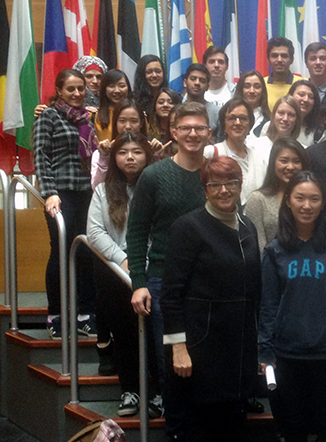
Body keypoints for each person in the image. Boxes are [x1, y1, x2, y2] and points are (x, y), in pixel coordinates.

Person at [160, 156, 262, 441]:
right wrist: (178, 347)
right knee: (199, 428)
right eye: (215, 184)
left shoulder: (248, 227)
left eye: (231, 183)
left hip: (238, 347)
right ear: (204, 189)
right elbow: (170, 294)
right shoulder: (188, 227)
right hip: (199, 348)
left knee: (233, 426)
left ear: (240, 186)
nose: (224, 190)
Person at [126, 102, 211, 438]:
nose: (192, 134)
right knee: (173, 365)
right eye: (185, 128)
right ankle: (176, 431)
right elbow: (136, 232)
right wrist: (138, 281)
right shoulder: (153, 175)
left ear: (208, 132)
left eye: (199, 128)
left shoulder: (216, 172)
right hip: (163, 283)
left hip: (210, 283)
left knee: (206, 361)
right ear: (173, 132)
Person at [258, 172, 326, 442]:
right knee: (293, 427)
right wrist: (265, 351)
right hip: (287, 355)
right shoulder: (274, 250)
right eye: (299, 198)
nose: (307, 205)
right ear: (288, 201)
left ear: (323, 203)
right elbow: (268, 305)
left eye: (314, 199)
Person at [86, 131, 163, 417]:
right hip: (115, 273)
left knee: (154, 337)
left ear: (147, 154)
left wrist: (142, 260)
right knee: (125, 335)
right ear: (115, 157)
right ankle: (130, 390)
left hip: (152, 269)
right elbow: (93, 232)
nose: (130, 157)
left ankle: (157, 392)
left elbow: (163, 228)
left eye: (137, 151)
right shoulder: (103, 191)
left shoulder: (158, 185)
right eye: (123, 152)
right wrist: (123, 259)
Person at [33, 69, 99, 339]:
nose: (77, 93)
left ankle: (85, 313)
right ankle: (56, 314)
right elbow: (40, 157)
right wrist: (49, 192)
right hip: (60, 194)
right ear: (59, 91)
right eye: (70, 89)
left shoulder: (90, 118)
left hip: (89, 192)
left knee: (86, 252)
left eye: (80, 88)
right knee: (60, 252)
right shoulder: (48, 116)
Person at [245, 138, 310, 250]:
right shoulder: (258, 199)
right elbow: (259, 247)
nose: (290, 167)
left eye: (296, 161)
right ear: (273, 163)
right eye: (284, 161)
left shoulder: (310, 199)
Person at [91, 98, 160, 189]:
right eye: (122, 121)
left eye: (134, 121)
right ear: (115, 123)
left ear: (141, 123)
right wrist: (104, 158)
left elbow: (159, 187)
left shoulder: (152, 149)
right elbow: (97, 188)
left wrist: (155, 157)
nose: (128, 127)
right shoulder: (100, 154)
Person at [207, 98, 264, 203]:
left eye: (243, 118)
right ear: (224, 125)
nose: (237, 123)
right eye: (231, 118)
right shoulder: (211, 153)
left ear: (250, 125)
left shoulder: (260, 158)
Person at [250, 95, 302, 165]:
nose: (285, 119)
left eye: (291, 115)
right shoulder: (255, 146)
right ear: (273, 115)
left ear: (297, 120)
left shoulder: (302, 150)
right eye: (281, 113)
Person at [94, 69, 132, 141]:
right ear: (104, 89)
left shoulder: (138, 114)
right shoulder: (94, 116)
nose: (117, 90)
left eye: (121, 86)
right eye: (111, 86)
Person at [181, 63, 220, 132]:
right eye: (193, 79)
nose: (197, 83)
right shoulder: (177, 110)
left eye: (202, 80)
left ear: (208, 86)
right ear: (185, 83)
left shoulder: (216, 113)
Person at [265, 37, 300, 110]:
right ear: (268, 60)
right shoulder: (260, 85)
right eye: (274, 56)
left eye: (284, 56)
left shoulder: (302, 84)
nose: (279, 60)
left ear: (292, 60)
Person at [234, 70, 271, 138]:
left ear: (262, 91)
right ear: (240, 89)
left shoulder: (270, 120)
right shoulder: (230, 117)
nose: (252, 91)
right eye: (247, 86)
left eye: (257, 87)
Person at [289, 80, 323, 147]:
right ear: (290, 96)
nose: (306, 99)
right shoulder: (273, 125)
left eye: (311, 97)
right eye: (301, 94)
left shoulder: (319, 133)